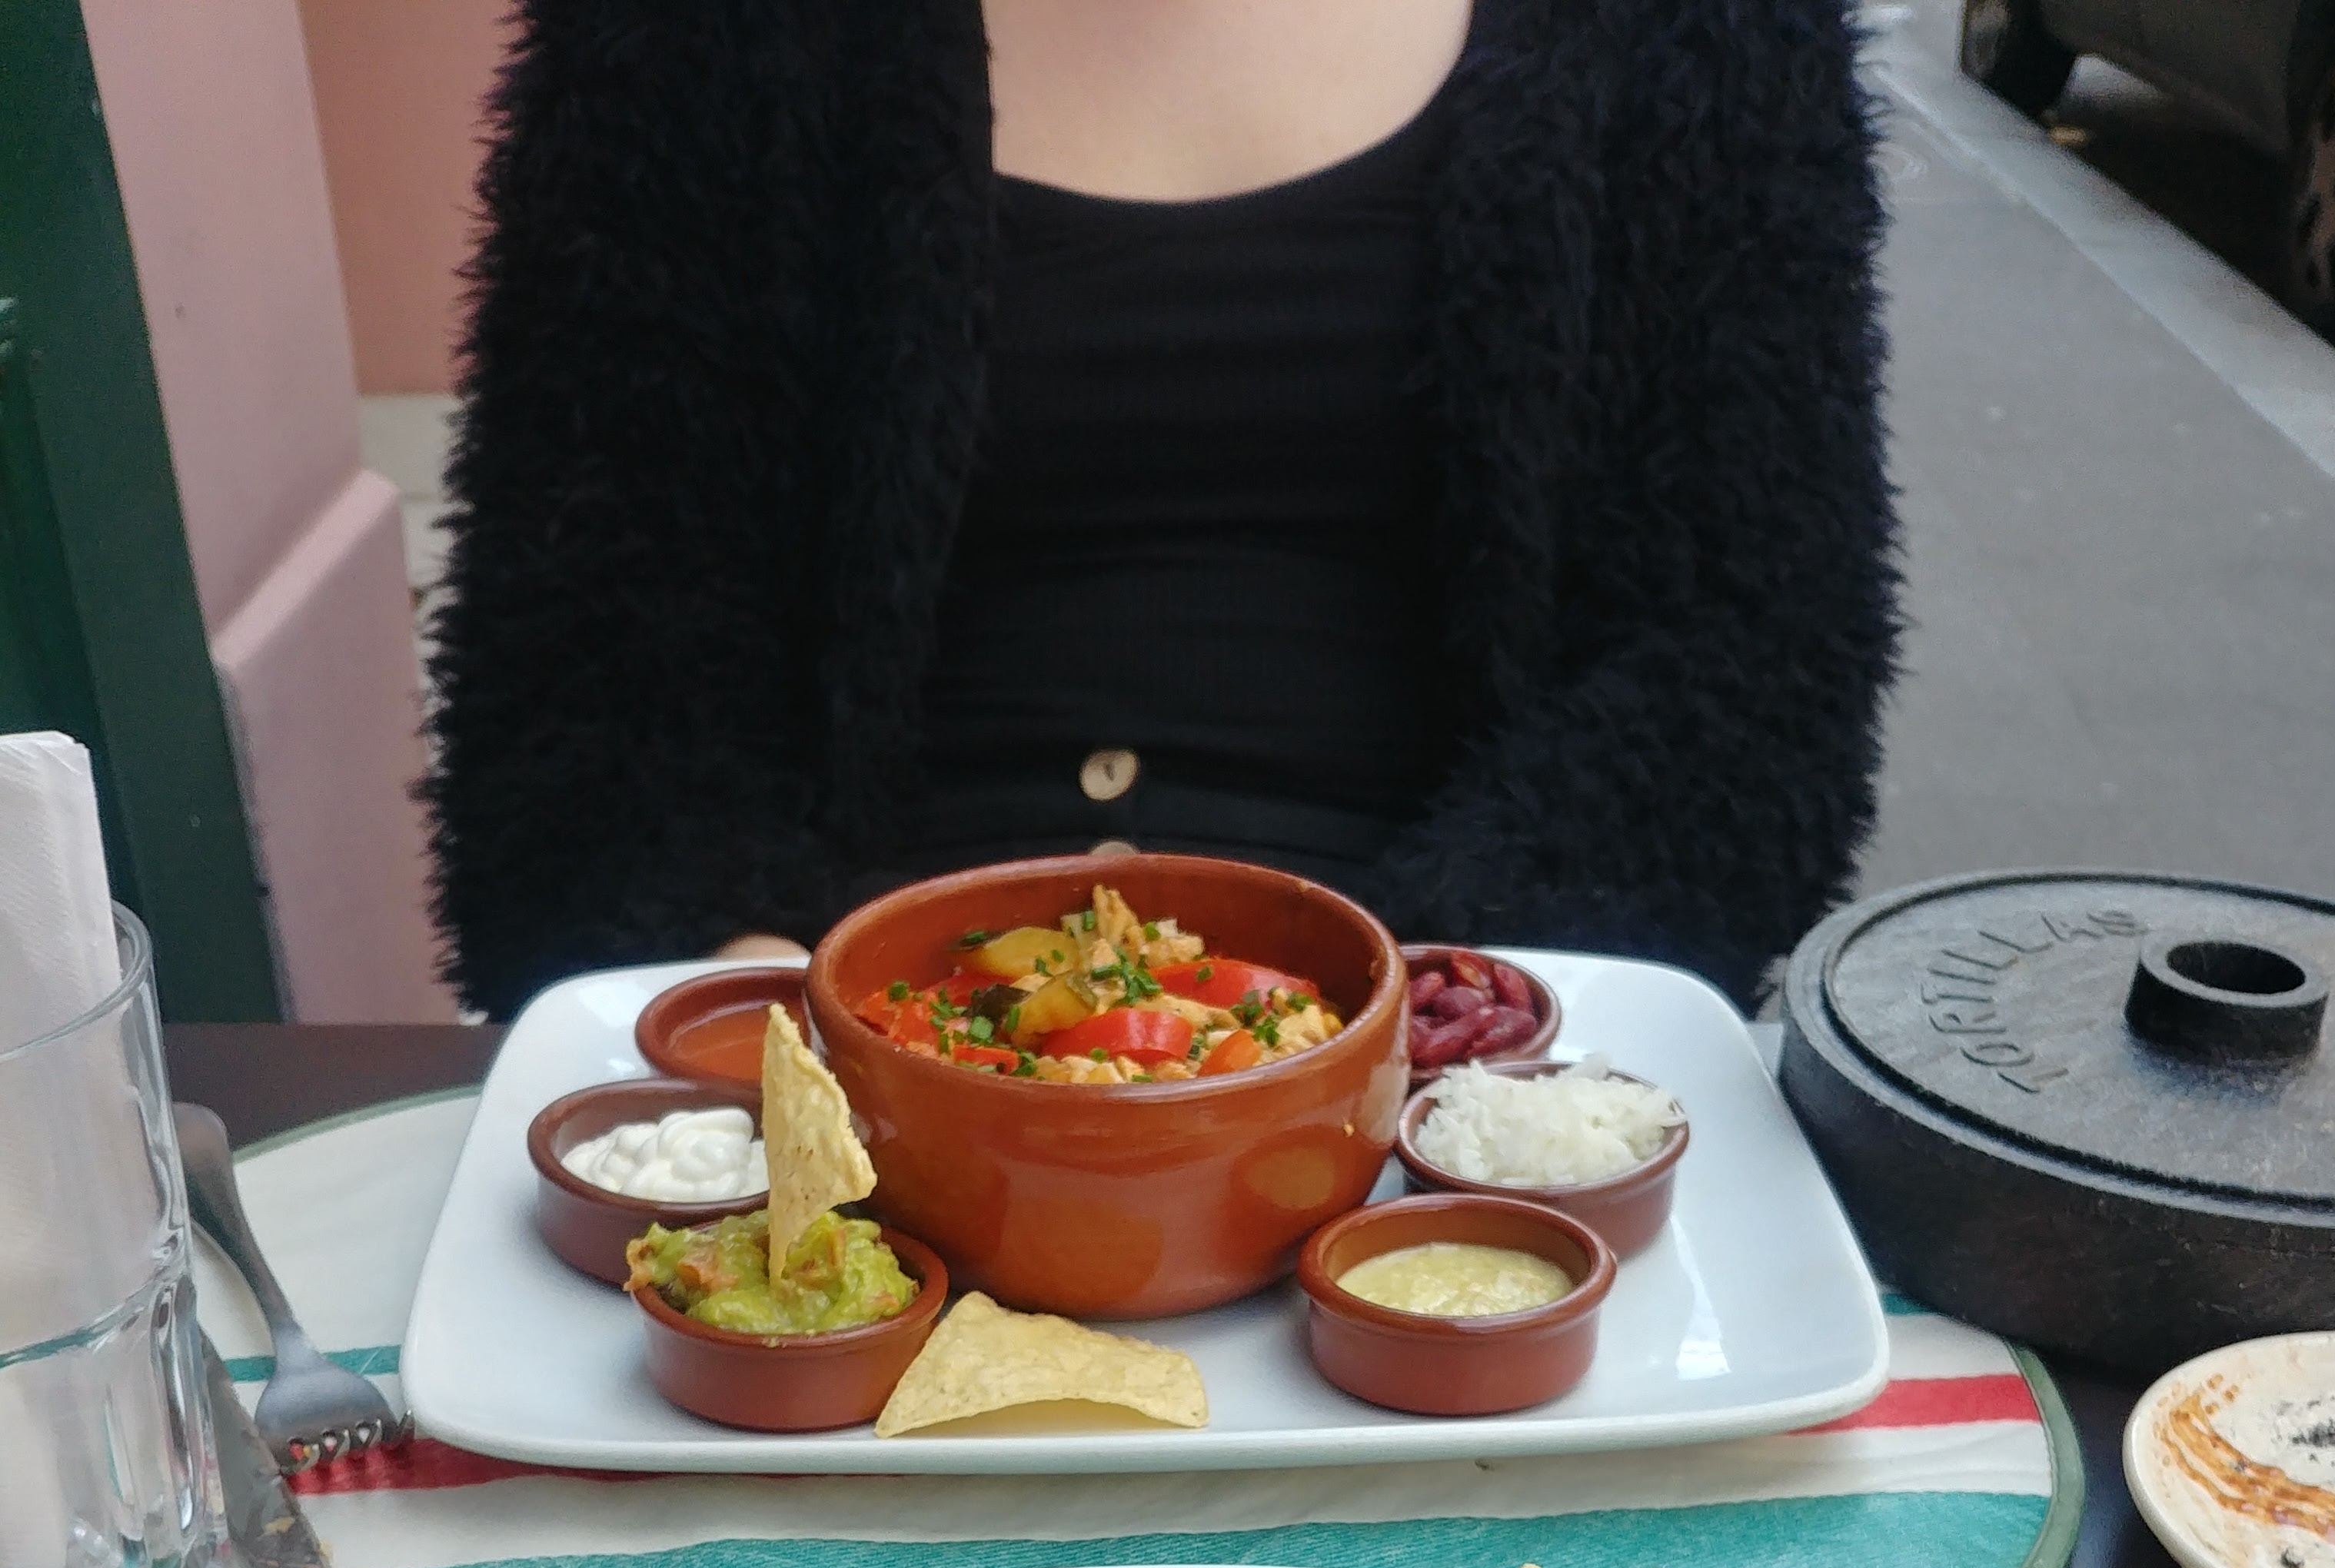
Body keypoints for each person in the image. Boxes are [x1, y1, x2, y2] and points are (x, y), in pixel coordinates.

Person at [427, 0, 1897, 1021]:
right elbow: (589, 653)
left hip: (1458, 1053)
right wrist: (765, 1009)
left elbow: (1753, 657)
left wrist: (1435, 1023)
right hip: (847, 1034)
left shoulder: (1695, 31)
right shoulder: (694, 32)